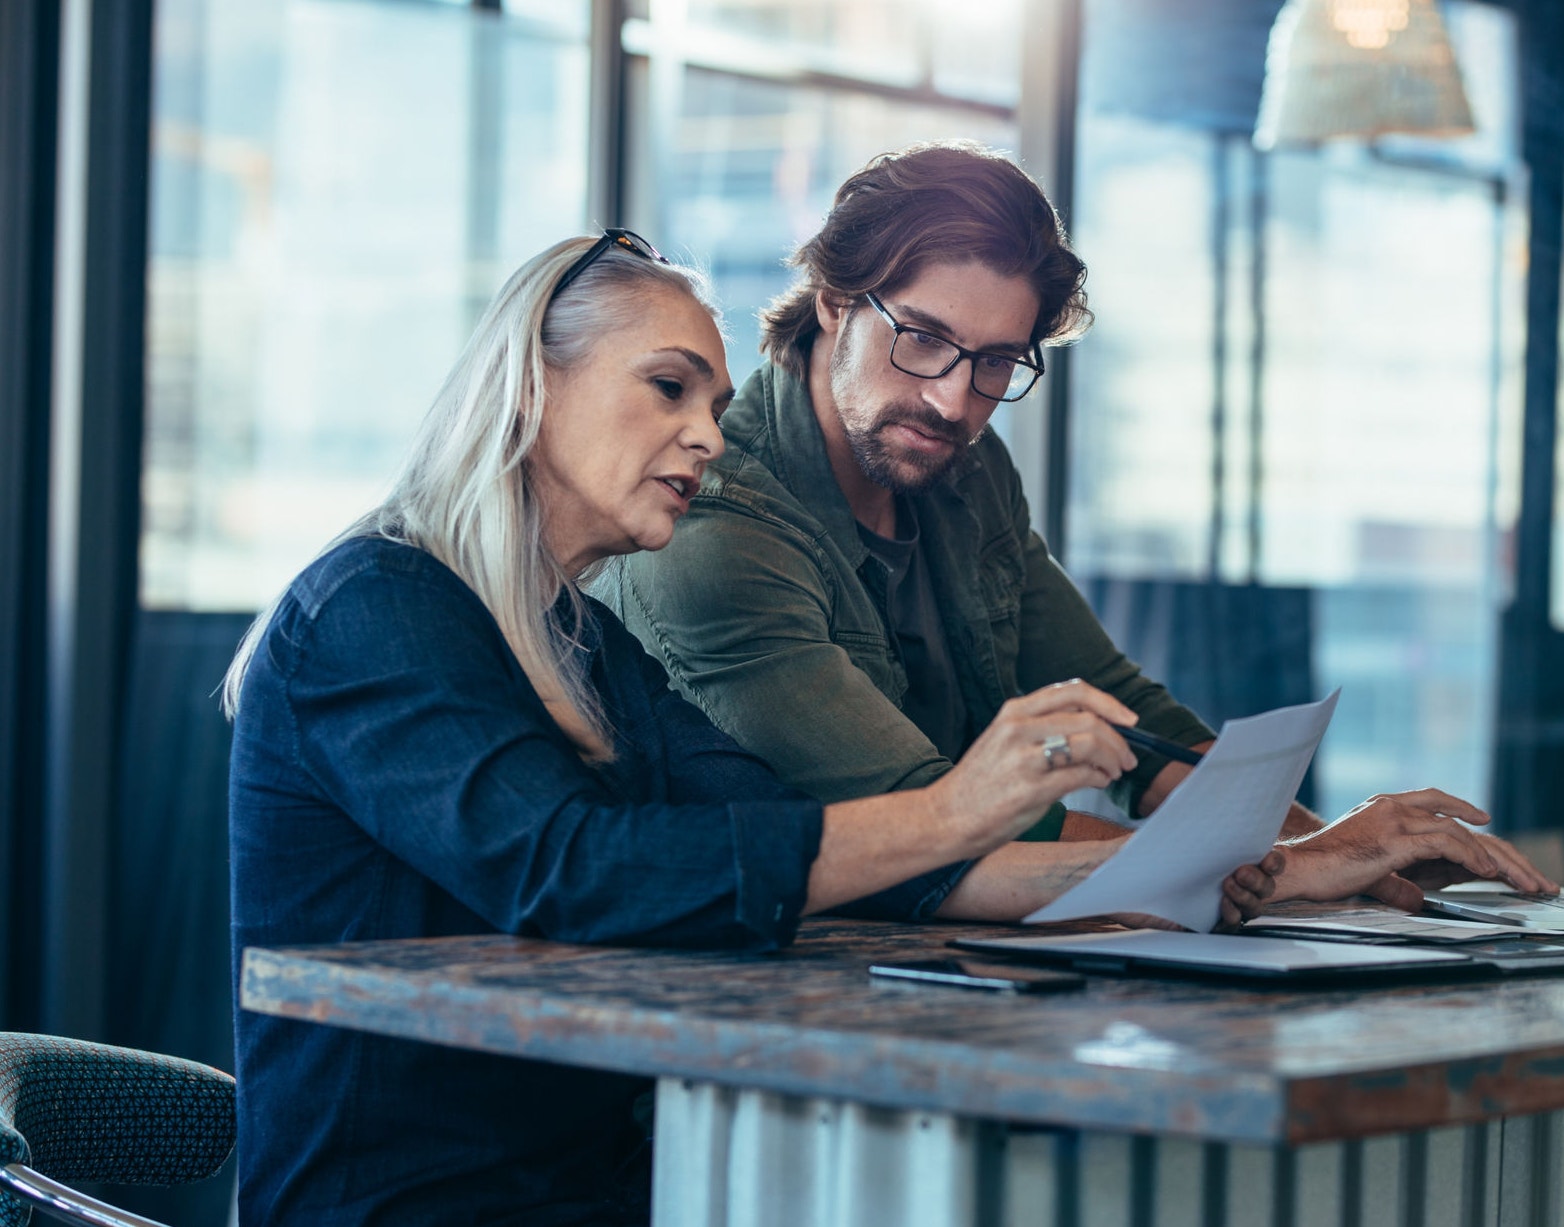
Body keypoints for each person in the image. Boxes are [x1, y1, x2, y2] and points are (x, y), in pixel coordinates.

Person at [224, 231, 1291, 1226]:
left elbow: (799, 836)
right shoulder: (377, 607)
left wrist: (1170, 875)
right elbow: (567, 870)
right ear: (530, 382)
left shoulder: (584, 640)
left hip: (598, 1186)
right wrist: (957, 808)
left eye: (716, 402)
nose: (705, 435)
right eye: (668, 387)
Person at [598, 140, 1556, 916]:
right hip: (749, 983)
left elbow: (1128, 721)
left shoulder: (963, 468)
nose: (952, 400)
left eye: (994, 362)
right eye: (923, 339)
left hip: (948, 962)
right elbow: (925, 817)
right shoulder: (712, 522)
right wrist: (1306, 865)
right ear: (836, 302)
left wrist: (1348, 861)